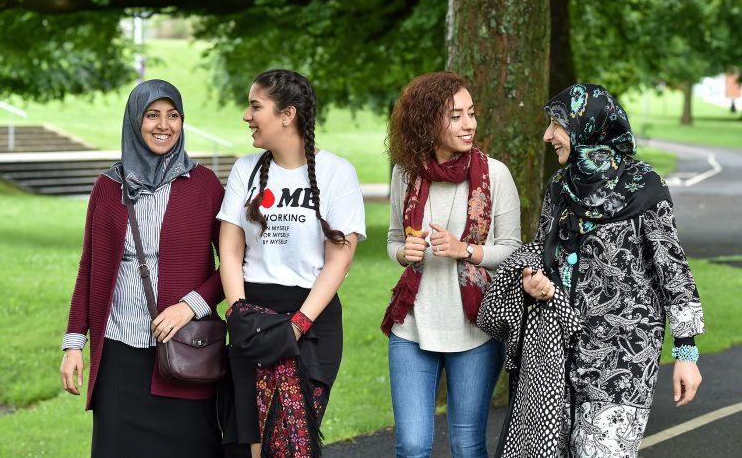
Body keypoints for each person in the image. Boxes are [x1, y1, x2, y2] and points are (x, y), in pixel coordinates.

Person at [525, 84, 703, 456]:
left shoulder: (645, 188)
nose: (548, 136)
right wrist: (534, 280)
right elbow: (541, 255)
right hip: (560, 355)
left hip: (624, 359)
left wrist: (686, 355)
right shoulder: (559, 187)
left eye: (557, 125)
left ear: (585, 127)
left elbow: (675, 275)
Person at [59, 79, 226, 456]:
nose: (163, 125)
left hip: (186, 349)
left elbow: (234, 264)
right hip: (120, 352)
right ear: (135, 120)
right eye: (152, 115)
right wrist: (74, 344)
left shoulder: (203, 185)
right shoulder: (108, 186)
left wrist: (191, 306)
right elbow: (89, 269)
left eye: (173, 115)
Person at [217, 69, 366, 457]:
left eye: (255, 106)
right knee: (250, 441)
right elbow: (230, 247)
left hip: (311, 325)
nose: (247, 116)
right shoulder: (244, 170)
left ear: (288, 114)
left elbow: (339, 258)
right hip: (253, 321)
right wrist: (238, 312)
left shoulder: (337, 173)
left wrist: (297, 326)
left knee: (288, 445)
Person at [383, 71, 522, 458]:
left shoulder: (495, 174)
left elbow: (514, 250)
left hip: (474, 329)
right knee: (411, 445)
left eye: (471, 113)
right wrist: (403, 253)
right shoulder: (405, 173)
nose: (469, 124)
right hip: (412, 327)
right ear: (428, 121)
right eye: (456, 115)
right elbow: (394, 238)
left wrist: (467, 250)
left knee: (466, 444)